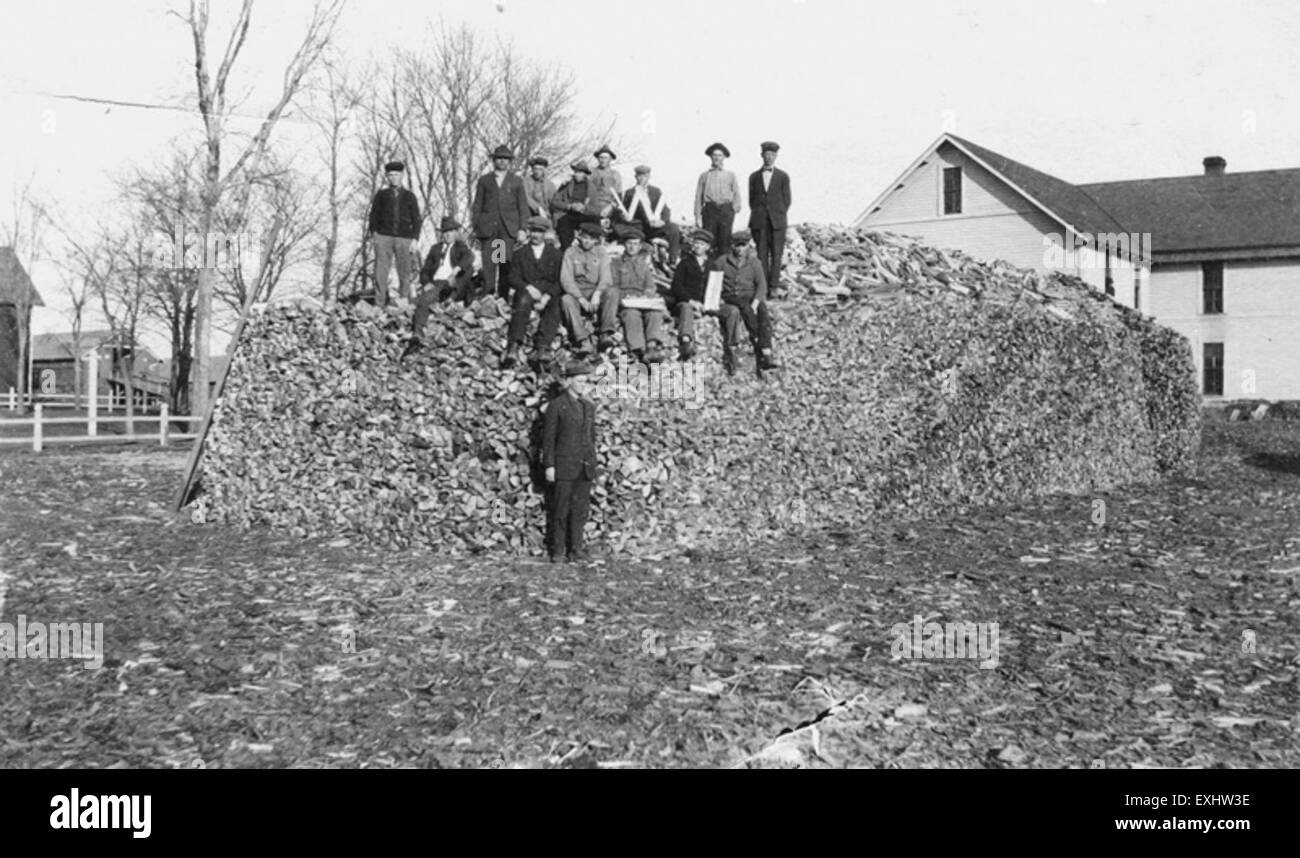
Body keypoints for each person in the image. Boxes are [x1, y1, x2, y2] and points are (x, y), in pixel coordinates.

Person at [542, 360, 599, 563]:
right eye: (580, 381)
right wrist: (549, 465)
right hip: (564, 466)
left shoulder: (588, 406)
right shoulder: (557, 406)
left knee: (580, 511)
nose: (584, 384)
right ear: (568, 381)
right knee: (561, 510)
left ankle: (576, 549)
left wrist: (592, 461)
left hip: (585, 468)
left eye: (586, 381)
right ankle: (558, 550)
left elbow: (591, 437)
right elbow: (548, 439)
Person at [401, 217, 475, 360]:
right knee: (424, 300)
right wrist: (426, 282)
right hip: (437, 283)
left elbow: (469, 257)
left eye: (450, 232)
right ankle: (417, 335)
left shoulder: (460, 247)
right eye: (445, 232)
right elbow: (425, 270)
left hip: (452, 282)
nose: (447, 235)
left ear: (455, 233)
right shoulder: (435, 249)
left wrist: (456, 270)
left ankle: (452, 297)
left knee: (468, 269)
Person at [502, 216, 566, 370]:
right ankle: (514, 345)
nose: (536, 235)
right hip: (527, 291)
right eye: (533, 231)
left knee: (556, 304)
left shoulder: (556, 254)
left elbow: (560, 280)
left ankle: (543, 346)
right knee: (522, 300)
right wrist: (528, 287)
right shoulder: (519, 253)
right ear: (529, 232)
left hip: (548, 293)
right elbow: (512, 277)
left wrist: (546, 296)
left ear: (545, 234)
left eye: (540, 232)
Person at [711, 230, 778, 375]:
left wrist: (756, 302)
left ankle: (766, 350)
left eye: (743, 246)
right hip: (732, 295)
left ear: (748, 246)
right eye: (737, 246)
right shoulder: (722, 261)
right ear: (732, 246)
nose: (740, 249)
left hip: (750, 296)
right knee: (746, 309)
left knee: (763, 313)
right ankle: (756, 339)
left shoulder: (754, 263)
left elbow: (761, 285)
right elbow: (714, 283)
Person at [471, 144, 530, 301]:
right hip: (489, 229)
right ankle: (488, 297)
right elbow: (477, 206)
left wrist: (522, 228)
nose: (502, 162)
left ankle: (502, 298)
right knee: (489, 264)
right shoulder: (485, 180)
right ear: (493, 160)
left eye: (506, 159)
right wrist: (476, 228)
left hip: (506, 230)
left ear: (510, 161)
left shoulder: (516, 181)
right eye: (499, 159)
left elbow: (522, 206)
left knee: (504, 263)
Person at [366, 160, 422, 307]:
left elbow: (416, 219)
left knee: (405, 270)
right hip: (384, 237)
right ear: (387, 177)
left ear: (402, 175)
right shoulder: (382, 195)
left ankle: (403, 300)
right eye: (390, 175)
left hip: (404, 238)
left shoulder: (410, 196)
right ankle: (380, 303)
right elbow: (373, 215)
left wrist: (415, 239)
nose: (393, 178)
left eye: (396, 174)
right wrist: (374, 234)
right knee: (381, 271)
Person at [559, 222, 617, 356]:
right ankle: (583, 339)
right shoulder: (570, 252)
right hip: (577, 292)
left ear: (597, 240)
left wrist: (597, 294)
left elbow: (606, 277)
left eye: (591, 239)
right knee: (566, 300)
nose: (587, 241)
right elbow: (566, 279)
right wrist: (581, 300)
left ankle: (605, 333)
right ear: (579, 237)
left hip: (594, 290)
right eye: (585, 237)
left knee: (612, 292)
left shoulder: (601, 252)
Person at [611, 228, 667, 364]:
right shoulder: (615, 263)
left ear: (640, 246)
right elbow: (612, 286)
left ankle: (652, 346)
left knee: (654, 313)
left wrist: (647, 295)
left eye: (636, 244)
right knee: (631, 315)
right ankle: (638, 350)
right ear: (624, 244)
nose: (632, 247)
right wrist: (626, 296)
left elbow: (650, 286)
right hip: (626, 301)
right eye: (629, 243)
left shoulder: (643, 265)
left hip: (642, 300)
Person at [748, 141, 792, 296]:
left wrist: (776, 214)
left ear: (776, 156)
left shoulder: (783, 177)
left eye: (772, 155)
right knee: (761, 254)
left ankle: (773, 286)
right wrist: (761, 214)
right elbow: (752, 201)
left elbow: (787, 200)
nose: (769, 158)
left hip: (777, 222)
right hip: (760, 222)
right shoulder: (753, 177)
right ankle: (763, 287)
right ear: (762, 156)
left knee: (776, 254)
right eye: (767, 155)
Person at [668, 229, 714, 361]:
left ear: (707, 247)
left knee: (731, 311)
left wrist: (711, 302)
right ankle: (686, 340)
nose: (698, 247)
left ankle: (732, 347)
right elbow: (676, 287)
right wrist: (691, 301)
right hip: (687, 302)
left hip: (706, 303)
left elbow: (715, 286)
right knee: (686, 308)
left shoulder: (711, 265)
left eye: (702, 244)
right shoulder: (685, 263)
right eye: (696, 243)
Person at [621, 165, 682, 264]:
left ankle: (673, 259)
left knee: (674, 228)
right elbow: (624, 211)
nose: (642, 179)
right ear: (635, 177)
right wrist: (625, 216)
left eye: (644, 176)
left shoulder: (655, 191)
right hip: (640, 227)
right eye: (639, 176)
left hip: (655, 226)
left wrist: (662, 221)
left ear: (649, 177)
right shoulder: (630, 193)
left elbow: (665, 209)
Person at [694, 143, 741, 253]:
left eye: (720, 155)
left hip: (726, 211)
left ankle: (723, 268)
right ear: (710, 157)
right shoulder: (704, 176)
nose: (717, 158)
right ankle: (710, 268)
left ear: (724, 157)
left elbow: (736, 194)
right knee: (709, 240)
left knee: (725, 241)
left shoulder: (730, 175)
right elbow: (698, 197)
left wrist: (734, 209)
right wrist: (697, 217)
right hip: (710, 211)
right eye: (714, 155)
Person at [549, 160, 597, 250]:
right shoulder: (566, 185)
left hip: (584, 214)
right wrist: (569, 206)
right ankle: (567, 250)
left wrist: (584, 208)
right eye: (576, 172)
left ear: (585, 174)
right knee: (563, 224)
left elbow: (595, 207)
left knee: (595, 223)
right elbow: (554, 202)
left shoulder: (591, 188)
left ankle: (591, 250)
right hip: (569, 213)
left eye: (580, 172)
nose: (577, 174)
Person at [589, 145, 623, 218]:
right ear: (598, 159)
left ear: (610, 159)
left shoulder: (615, 175)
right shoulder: (591, 173)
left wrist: (610, 207)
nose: (603, 160)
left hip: (609, 207)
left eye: (605, 158)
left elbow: (619, 196)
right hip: (592, 206)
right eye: (601, 157)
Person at [523, 156, 557, 225]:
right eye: (535, 169)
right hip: (530, 212)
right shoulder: (525, 181)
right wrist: (538, 208)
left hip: (546, 214)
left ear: (544, 170)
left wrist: (547, 213)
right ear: (532, 169)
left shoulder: (550, 185)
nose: (537, 172)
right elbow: (525, 197)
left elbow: (553, 202)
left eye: (540, 169)